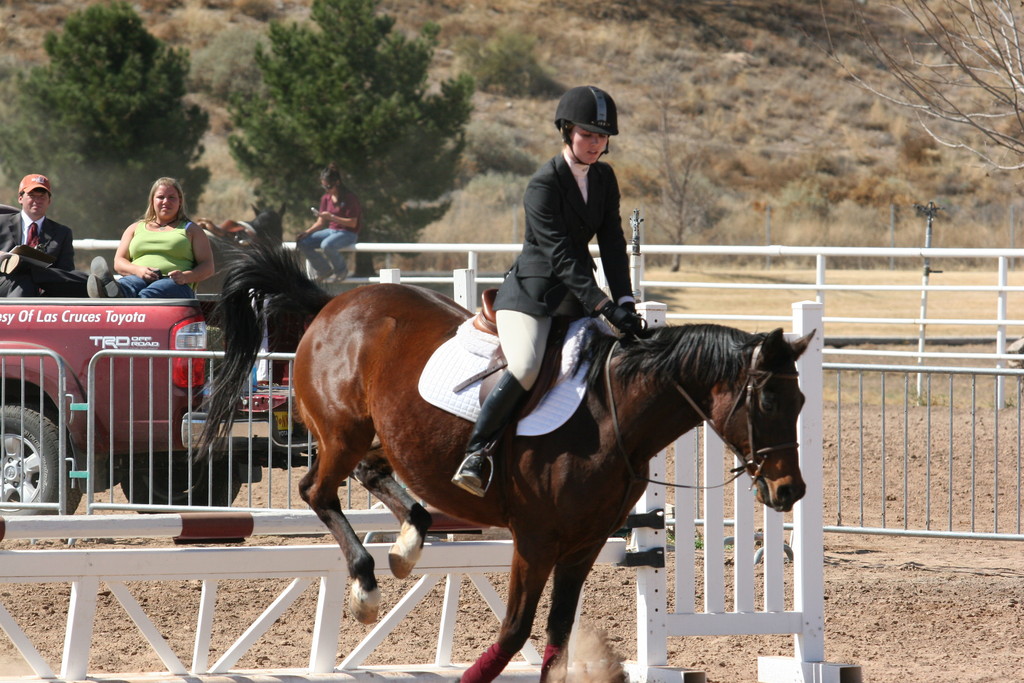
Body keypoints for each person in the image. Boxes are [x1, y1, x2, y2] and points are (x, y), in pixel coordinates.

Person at [451, 85, 645, 497]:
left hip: (576, 298)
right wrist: (604, 305)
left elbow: (611, 242)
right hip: (531, 296)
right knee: (525, 366)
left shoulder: (605, 178)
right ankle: (477, 452)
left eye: (602, 136)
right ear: (567, 131)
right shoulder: (543, 184)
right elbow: (559, 255)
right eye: (587, 134)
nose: (595, 143)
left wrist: (626, 301)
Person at [88, 177, 214, 298]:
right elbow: (119, 262)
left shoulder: (192, 230)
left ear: (180, 201)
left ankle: (114, 294)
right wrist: (138, 270)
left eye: (172, 197)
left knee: (150, 294)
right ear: (152, 201)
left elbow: (208, 266)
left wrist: (185, 277)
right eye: (160, 197)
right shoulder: (135, 228)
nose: (166, 201)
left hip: (173, 283)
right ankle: (114, 291)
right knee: (128, 285)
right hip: (137, 277)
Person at [0, 173, 90, 297]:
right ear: (20, 198)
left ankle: (100, 284)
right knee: (26, 280)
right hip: (6, 281)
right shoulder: (2, 222)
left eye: (42, 196)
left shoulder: (62, 232)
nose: (37, 200)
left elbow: (65, 271)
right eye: (31, 195)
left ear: (49, 200)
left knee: (81, 280)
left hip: (43, 285)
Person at [295, 163, 361, 283]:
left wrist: (332, 217)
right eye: (324, 187)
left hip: (348, 233)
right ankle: (324, 270)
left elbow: (352, 223)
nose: (327, 190)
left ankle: (341, 271)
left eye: (329, 186)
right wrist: (306, 232)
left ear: (337, 183)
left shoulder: (350, 198)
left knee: (327, 245)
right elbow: (320, 222)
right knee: (303, 242)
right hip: (331, 231)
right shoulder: (326, 198)